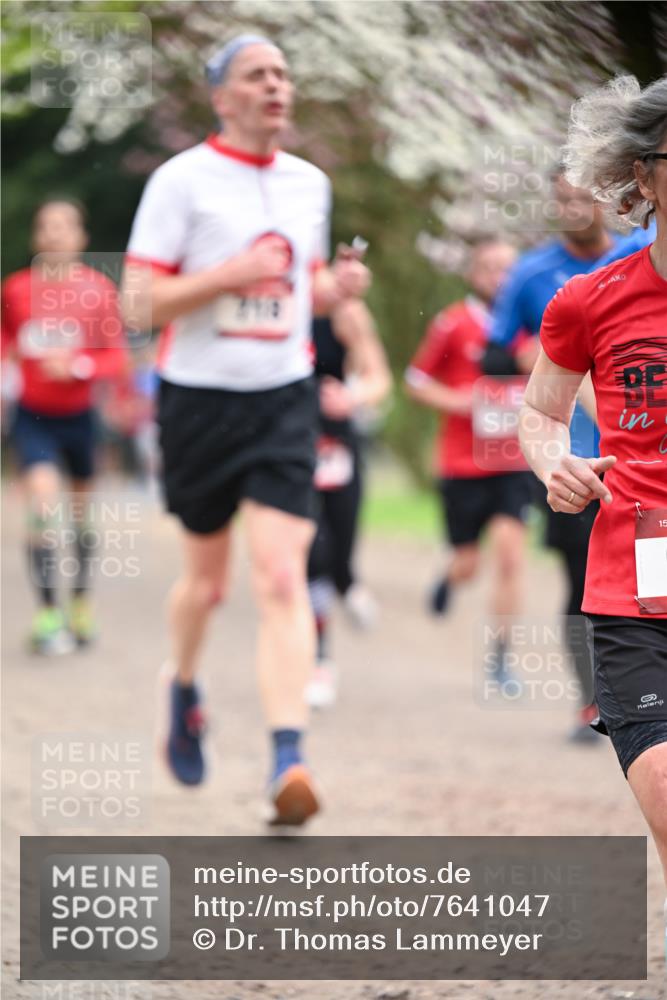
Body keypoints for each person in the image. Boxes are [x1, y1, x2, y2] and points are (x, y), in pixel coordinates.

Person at [121, 35, 369, 826]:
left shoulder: (310, 185)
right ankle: (183, 688)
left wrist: (335, 288)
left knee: (280, 576)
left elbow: (298, 292)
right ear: (221, 98)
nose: (276, 86)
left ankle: (287, 759)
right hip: (196, 403)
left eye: (284, 74)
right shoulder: (179, 181)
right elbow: (135, 305)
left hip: (281, 401)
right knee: (208, 583)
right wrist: (228, 275)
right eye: (256, 75)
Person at [518, 76, 667, 895]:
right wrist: (555, 463)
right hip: (632, 593)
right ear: (642, 176)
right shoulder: (589, 301)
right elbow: (538, 415)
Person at [485, 170, 623, 741]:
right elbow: (493, 357)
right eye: (563, 198)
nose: (573, 207)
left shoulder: (644, 256)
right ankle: (590, 705)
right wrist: (538, 357)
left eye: (584, 196)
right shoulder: (532, 273)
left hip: (641, 459)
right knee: (583, 585)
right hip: (572, 463)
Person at [1, 197, 128, 653]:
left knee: (79, 518)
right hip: (33, 418)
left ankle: (80, 603)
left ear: (81, 238)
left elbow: (115, 357)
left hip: (80, 418)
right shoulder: (15, 290)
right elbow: (5, 341)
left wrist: (77, 367)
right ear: (37, 238)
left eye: (64, 226)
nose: (54, 233)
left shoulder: (98, 291)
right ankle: (47, 613)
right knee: (42, 507)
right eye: (46, 226)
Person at [405, 239, 532, 689]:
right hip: (461, 464)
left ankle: (501, 657)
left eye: (507, 269)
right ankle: (449, 576)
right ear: (472, 274)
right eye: (489, 269)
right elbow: (415, 382)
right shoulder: (453, 324)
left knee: (510, 555)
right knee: (469, 563)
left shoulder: (532, 324)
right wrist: (460, 401)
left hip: (514, 461)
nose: (498, 278)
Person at [306, 298, 392, 708]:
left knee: (339, 551)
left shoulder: (348, 313)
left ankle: (349, 584)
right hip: (290, 447)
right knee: (313, 555)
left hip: (338, 448)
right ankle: (320, 660)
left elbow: (378, 379)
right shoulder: (275, 300)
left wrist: (352, 397)